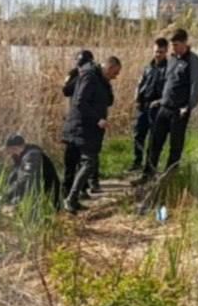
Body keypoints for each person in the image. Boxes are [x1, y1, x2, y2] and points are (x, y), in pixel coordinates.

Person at [139, 29, 198, 181]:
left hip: (179, 111)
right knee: (154, 142)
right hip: (164, 108)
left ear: (185, 42)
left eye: (176, 45)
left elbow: (196, 87)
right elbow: (170, 83)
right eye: (172, 45)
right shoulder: (172, 59)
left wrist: (188, 106)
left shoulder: (193, 61)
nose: (172, 48)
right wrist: (160, 100)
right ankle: (147, 174)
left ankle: (168, 178)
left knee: (175, 147)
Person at [61, 56, 121, 214]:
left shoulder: (101, 79)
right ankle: (70, 199)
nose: (116, 76)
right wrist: (98, 119)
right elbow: (80, 102)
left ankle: (74, 199)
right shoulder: (90, 76)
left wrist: (107, 84)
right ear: (109, 68)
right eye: (115, 72)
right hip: (81, 127)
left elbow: (108, 101)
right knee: (89, 162)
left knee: (86, 163)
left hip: (88, 129)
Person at [61, 49, 99, 195]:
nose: (81, 66)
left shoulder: (94, 75)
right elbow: (65, 90)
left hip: (89, 120)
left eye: (83, 63)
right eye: (79, 63)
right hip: (75, 118)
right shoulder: (74, 74)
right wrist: (79, 75)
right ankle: (69, 189)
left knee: (89, 156)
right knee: (71, 158)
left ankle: (90, 183)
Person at [129, 38, 169, 171]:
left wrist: (160, 101)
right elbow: (140, 83)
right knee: (138, 134)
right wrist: (136, 97)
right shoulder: (148, 67)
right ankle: (136, 161)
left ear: (166, 51)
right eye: (156, 51)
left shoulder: (168, 69)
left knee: (153, 138)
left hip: (157, 108)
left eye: (161, 52)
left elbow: (169, 90)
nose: (158, 54)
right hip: (143, 105)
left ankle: (149, 164)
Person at [1, 133, 62, 211]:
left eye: (8, 150)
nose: (8, 153)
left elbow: (26, 179)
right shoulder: (21, 156)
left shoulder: (32, 156)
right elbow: (15, 175)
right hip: (36, 191)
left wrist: (8, 194)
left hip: (48, 194)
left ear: (15, 148)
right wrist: (5, 190)